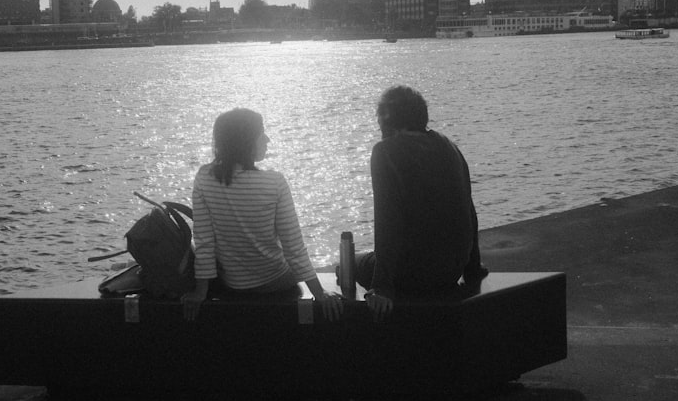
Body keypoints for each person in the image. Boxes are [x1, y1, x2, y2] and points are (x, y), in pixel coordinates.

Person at [182, 108, 343, 321]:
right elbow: (293, 247)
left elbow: (204, 242)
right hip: (275, 281)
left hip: (232, 284)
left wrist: (200, 293)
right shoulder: (274, 182)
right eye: (262, 133)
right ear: (246, 140)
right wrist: (319, 293)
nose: (267, 139)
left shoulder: (204, 178)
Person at [356, 86, 488, 322]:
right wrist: (473, 270)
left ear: (387, 117)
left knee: (347, 265)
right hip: (451, 270)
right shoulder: (450, 147)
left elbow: (388, 220)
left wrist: (382, 287)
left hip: (410, 274)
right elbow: (469, 212)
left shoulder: (385, 152)